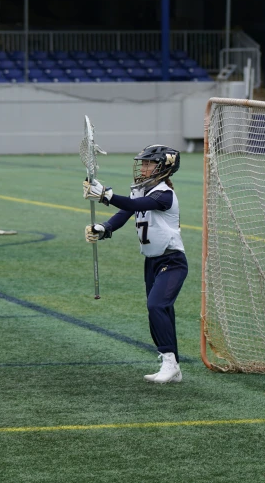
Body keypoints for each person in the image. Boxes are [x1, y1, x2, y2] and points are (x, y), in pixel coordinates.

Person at [83, 144, 187, 384]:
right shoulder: (142, 191)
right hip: (151, 262)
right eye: (143, 162)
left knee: (156, 305)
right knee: (161, 311)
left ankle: (170, 364)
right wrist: (105, 228)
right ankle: (172, 366)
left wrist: (105, 196)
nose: (143, 167)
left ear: (164, 168)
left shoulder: (164, 194)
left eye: (149, 163)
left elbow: (135, 206)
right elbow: (124, 213)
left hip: (171, 261)